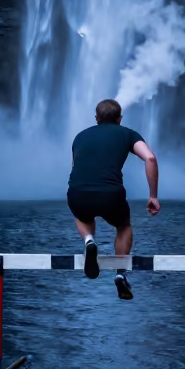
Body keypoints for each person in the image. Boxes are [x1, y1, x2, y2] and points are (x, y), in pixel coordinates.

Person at [67, 98, 160, 300]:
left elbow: (75, 168)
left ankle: (89, 240)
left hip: (77, 192)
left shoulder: (80, 136)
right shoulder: (127, 133)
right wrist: (152, 195)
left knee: (82, 216)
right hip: (110, 194)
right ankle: (120, 273)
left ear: (96, 119)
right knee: (123, 225)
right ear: (119, 119)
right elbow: (150, 158)